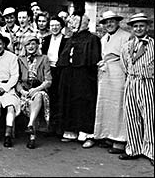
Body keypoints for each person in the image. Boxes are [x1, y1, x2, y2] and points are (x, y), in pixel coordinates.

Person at [56, 14, 101, 148]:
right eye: (71, 22)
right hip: (69, 74)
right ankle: (71, 131)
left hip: (84, 76)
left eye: (76, 22)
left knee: (83, 102)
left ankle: (86, 133)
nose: (72, 25)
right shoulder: (71, 38)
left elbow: (93, 60)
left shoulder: (92, 38)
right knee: (69, 101)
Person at [93, 11, 132, 154]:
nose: (109, 24)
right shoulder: (104, 39)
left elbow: (129, 59)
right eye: (106, 22)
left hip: (119, 74)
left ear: (117, 22)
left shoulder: (126, 37)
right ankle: (108, 135)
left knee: (119, 105)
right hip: (105, 74)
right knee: (107, 104)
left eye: (112, 21)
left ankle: (120, 140)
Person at [119, 13, 154, 166]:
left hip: (148, 83)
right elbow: (124, 65)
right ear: (132, 29)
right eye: (135, 26)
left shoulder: (153, 44)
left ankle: (151, 151)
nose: (138, 29)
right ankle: (133, 149)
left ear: (147, 27)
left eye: (141, 26)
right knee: (132, 116)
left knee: (150, 117)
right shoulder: (127, 46)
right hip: (131, 83)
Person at [17, 34, 52, 149]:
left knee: (38, 97)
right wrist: (22, 91)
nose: (31, 46)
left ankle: (31, 128)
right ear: (24, 46)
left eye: (33, 43)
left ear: (37, 45)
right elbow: (16, 80)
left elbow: (48, 81)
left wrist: (36, 89)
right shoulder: (20, 59)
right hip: (25, 90)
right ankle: (31, 130)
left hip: (39, 88)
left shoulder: (44, 58)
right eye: (28, 44)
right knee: (31, 101)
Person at [41, 16, 68, 135]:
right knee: (49, 97)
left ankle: (59, 127)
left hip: (61, 70)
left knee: (60, 97)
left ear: (61, 26)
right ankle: (49, 126)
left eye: (57, 25)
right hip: (49, 70)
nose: (54, 28)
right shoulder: (46, 39)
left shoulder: (66, 40)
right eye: (52, 25)